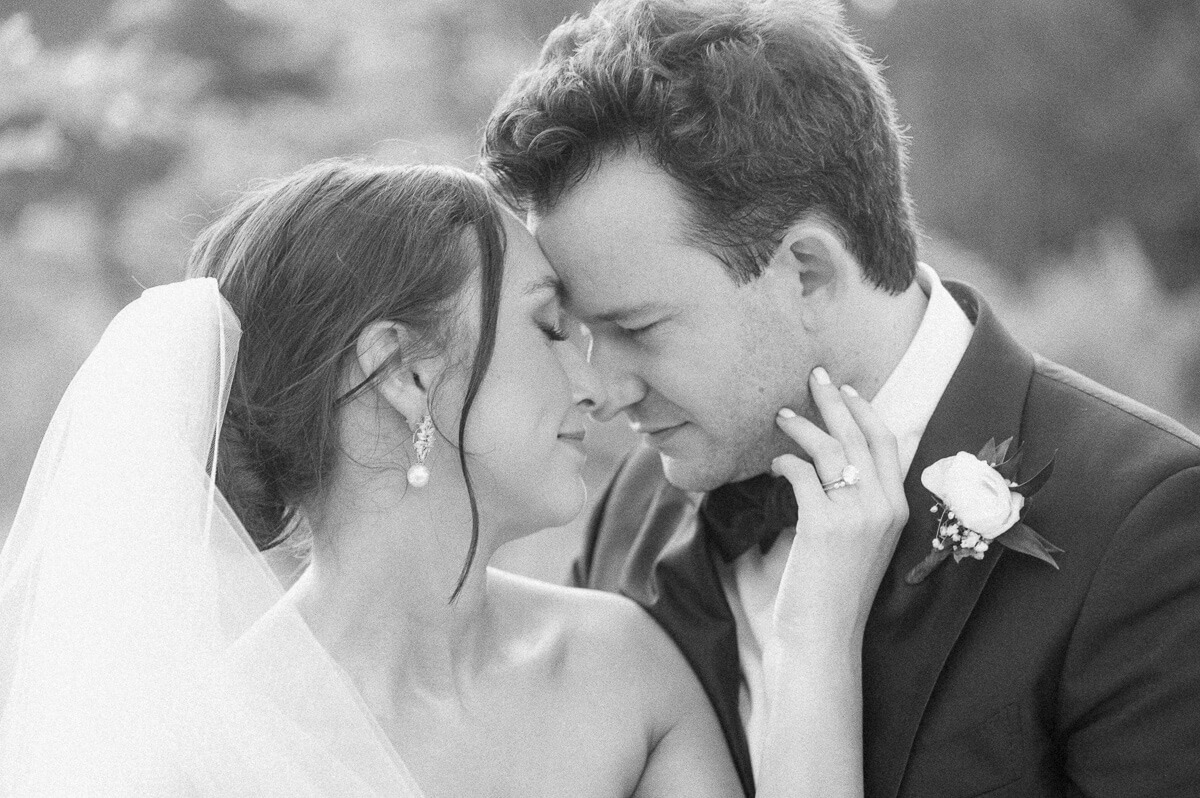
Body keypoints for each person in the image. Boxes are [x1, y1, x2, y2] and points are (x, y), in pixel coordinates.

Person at [0, 159, 904, 796]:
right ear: (406, 371)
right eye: (550, 328)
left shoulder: (622, 669)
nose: (595, 388)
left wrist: (816, 634)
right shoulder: (198, 752)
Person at [481, 1, 1200, 796]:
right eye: (579, 333)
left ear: (809, 272)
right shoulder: (635, 509)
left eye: (639, 328)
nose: (604, 393)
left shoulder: (1152, 527)